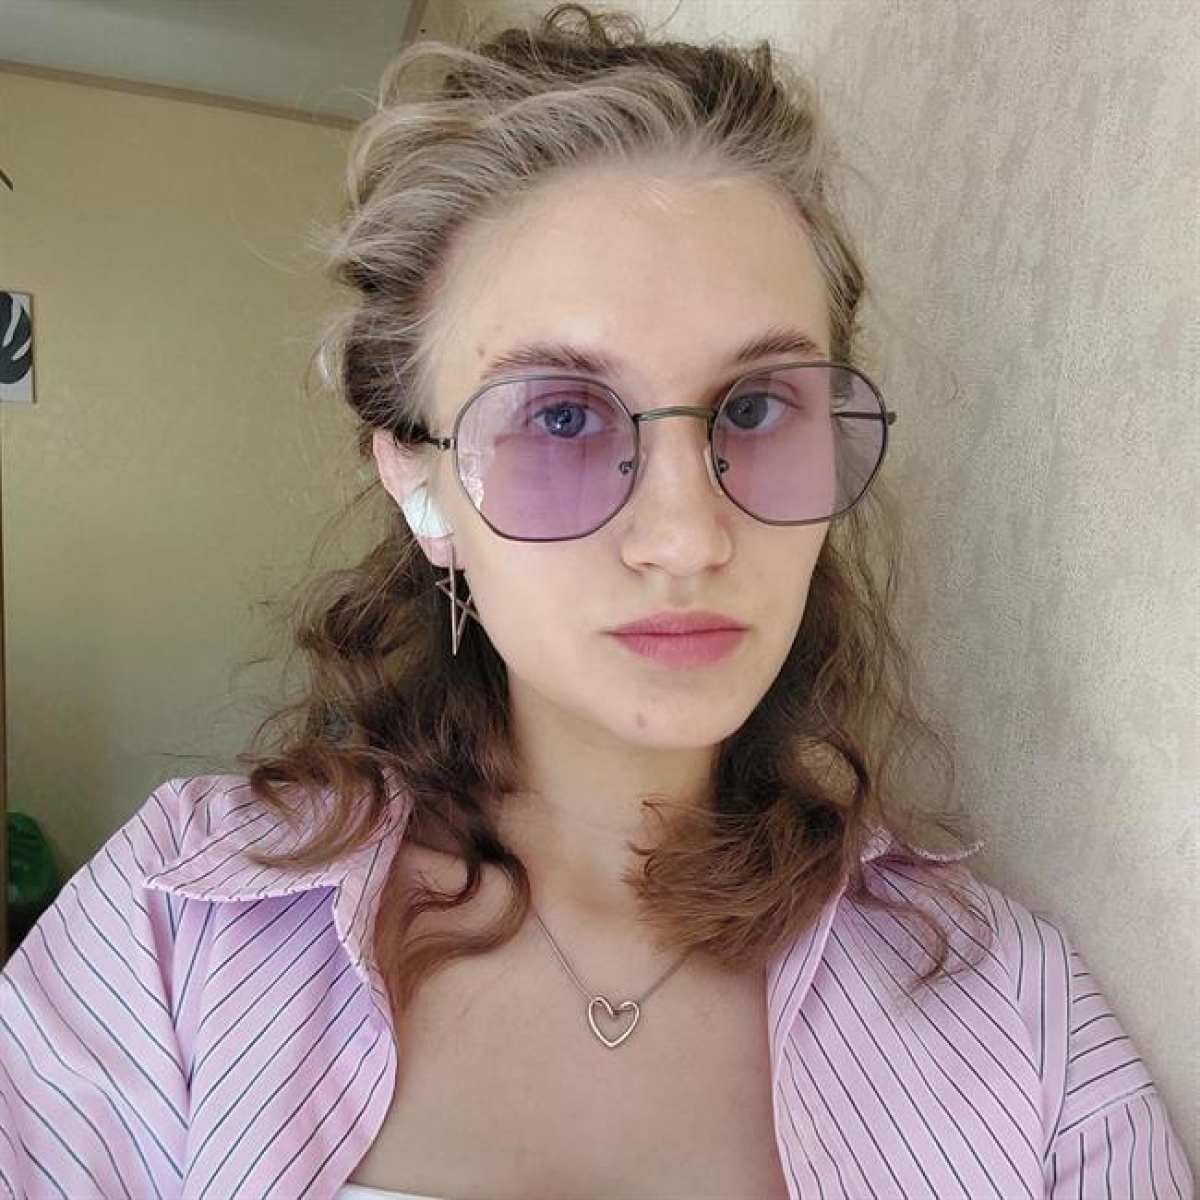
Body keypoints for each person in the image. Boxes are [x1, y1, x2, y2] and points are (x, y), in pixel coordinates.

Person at [1, 4, 1192, 1199]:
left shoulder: (1017, 1015)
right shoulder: (175, 925)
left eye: (756, 407)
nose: (687, 536)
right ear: (420, 486)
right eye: (562, 417)